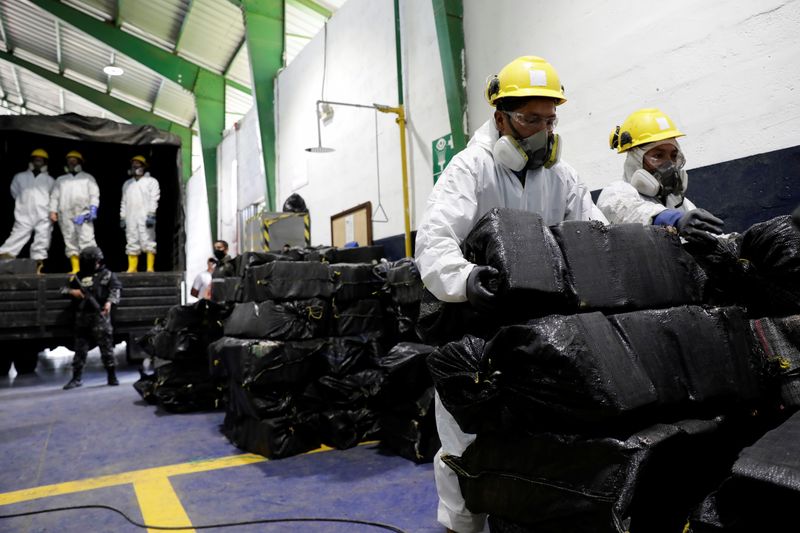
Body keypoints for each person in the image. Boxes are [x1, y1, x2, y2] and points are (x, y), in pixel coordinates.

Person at [414, 56, 607, 533]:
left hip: (538, 329)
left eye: (549, 120)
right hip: (476, 327)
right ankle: (462, 526)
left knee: (533, 435)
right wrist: (465, 279)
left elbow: (593, 233)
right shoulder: (471, 169)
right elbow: (434, 239)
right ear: (500, 117)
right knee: (466, 439)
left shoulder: (562, 177)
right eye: (529, 119)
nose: (541, 130)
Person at [597, 108, 724, 243]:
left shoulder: (677, 202)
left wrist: (737, 242)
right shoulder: (616, 193)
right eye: (658, 156)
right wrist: (674, 220)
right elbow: (634, 214)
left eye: (674, 156)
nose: (669, 165)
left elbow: (708, 235)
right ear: (635, 160)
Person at [62, 246, 122, 390]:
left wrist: (109, 302)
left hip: (100, 316)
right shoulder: (78, 276)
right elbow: (63, 290)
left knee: (107, 349)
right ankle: (76, 379)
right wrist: (73, 291)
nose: (96, 263)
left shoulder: (107, 275)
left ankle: (112, 376)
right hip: (83, 317)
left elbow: (115, 289)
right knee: (80, 351)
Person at [0, 149, 55, 273]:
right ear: (32, 160)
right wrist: (23, 204)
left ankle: (37, 267)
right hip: (24, 214)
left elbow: (54, 196)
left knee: (43, 238)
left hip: (43, 214)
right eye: (36, 158)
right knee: (17, 236)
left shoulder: (50, 180)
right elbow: (14, 192)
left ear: (45, 162)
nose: (38, 160)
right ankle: (3, 263)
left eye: (41, 159)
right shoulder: (20, 177)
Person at [49, 151, 100, 273]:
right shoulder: (61, 180)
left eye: (74, 160)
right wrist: (53, 211)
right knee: (70, 240)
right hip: (65, 214)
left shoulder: (88, 178)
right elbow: (54, 197)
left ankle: (92, 269)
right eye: (69, 160)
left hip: (83, 214)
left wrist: (93, 209)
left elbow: (94, 195)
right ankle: (76, 269)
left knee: (87, 241)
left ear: (80, 162)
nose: (71, 162)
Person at [120, 155, 160, 273]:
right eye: (133, 164)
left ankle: (149, 268)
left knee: (148, 240)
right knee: (132, 240)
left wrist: (152, 213)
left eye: (138, 164)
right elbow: (124, 201)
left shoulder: (151, 182)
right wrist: (122, 216)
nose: (135, 166)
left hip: (145, 216)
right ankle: (132, 268)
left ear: (144, 167)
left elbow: (154, 198)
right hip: (130, 216)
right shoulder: (127, 184)